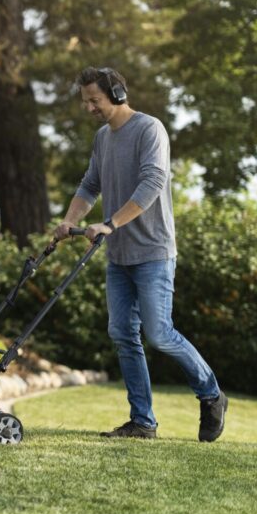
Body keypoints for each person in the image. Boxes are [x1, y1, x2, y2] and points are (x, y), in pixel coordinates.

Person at [53, 66, 227, 441]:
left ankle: (211, 394)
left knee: (160, 333)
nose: (89, 108)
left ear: (116, 93)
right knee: (121, 333)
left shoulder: (150, 130)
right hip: (119, 256)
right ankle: (142, 421)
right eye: (85, 102)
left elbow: (152, 183)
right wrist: (69, 222)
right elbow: (89, 185)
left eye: (94, 100)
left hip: (153, 252)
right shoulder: (103, 138)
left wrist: (109, 224)